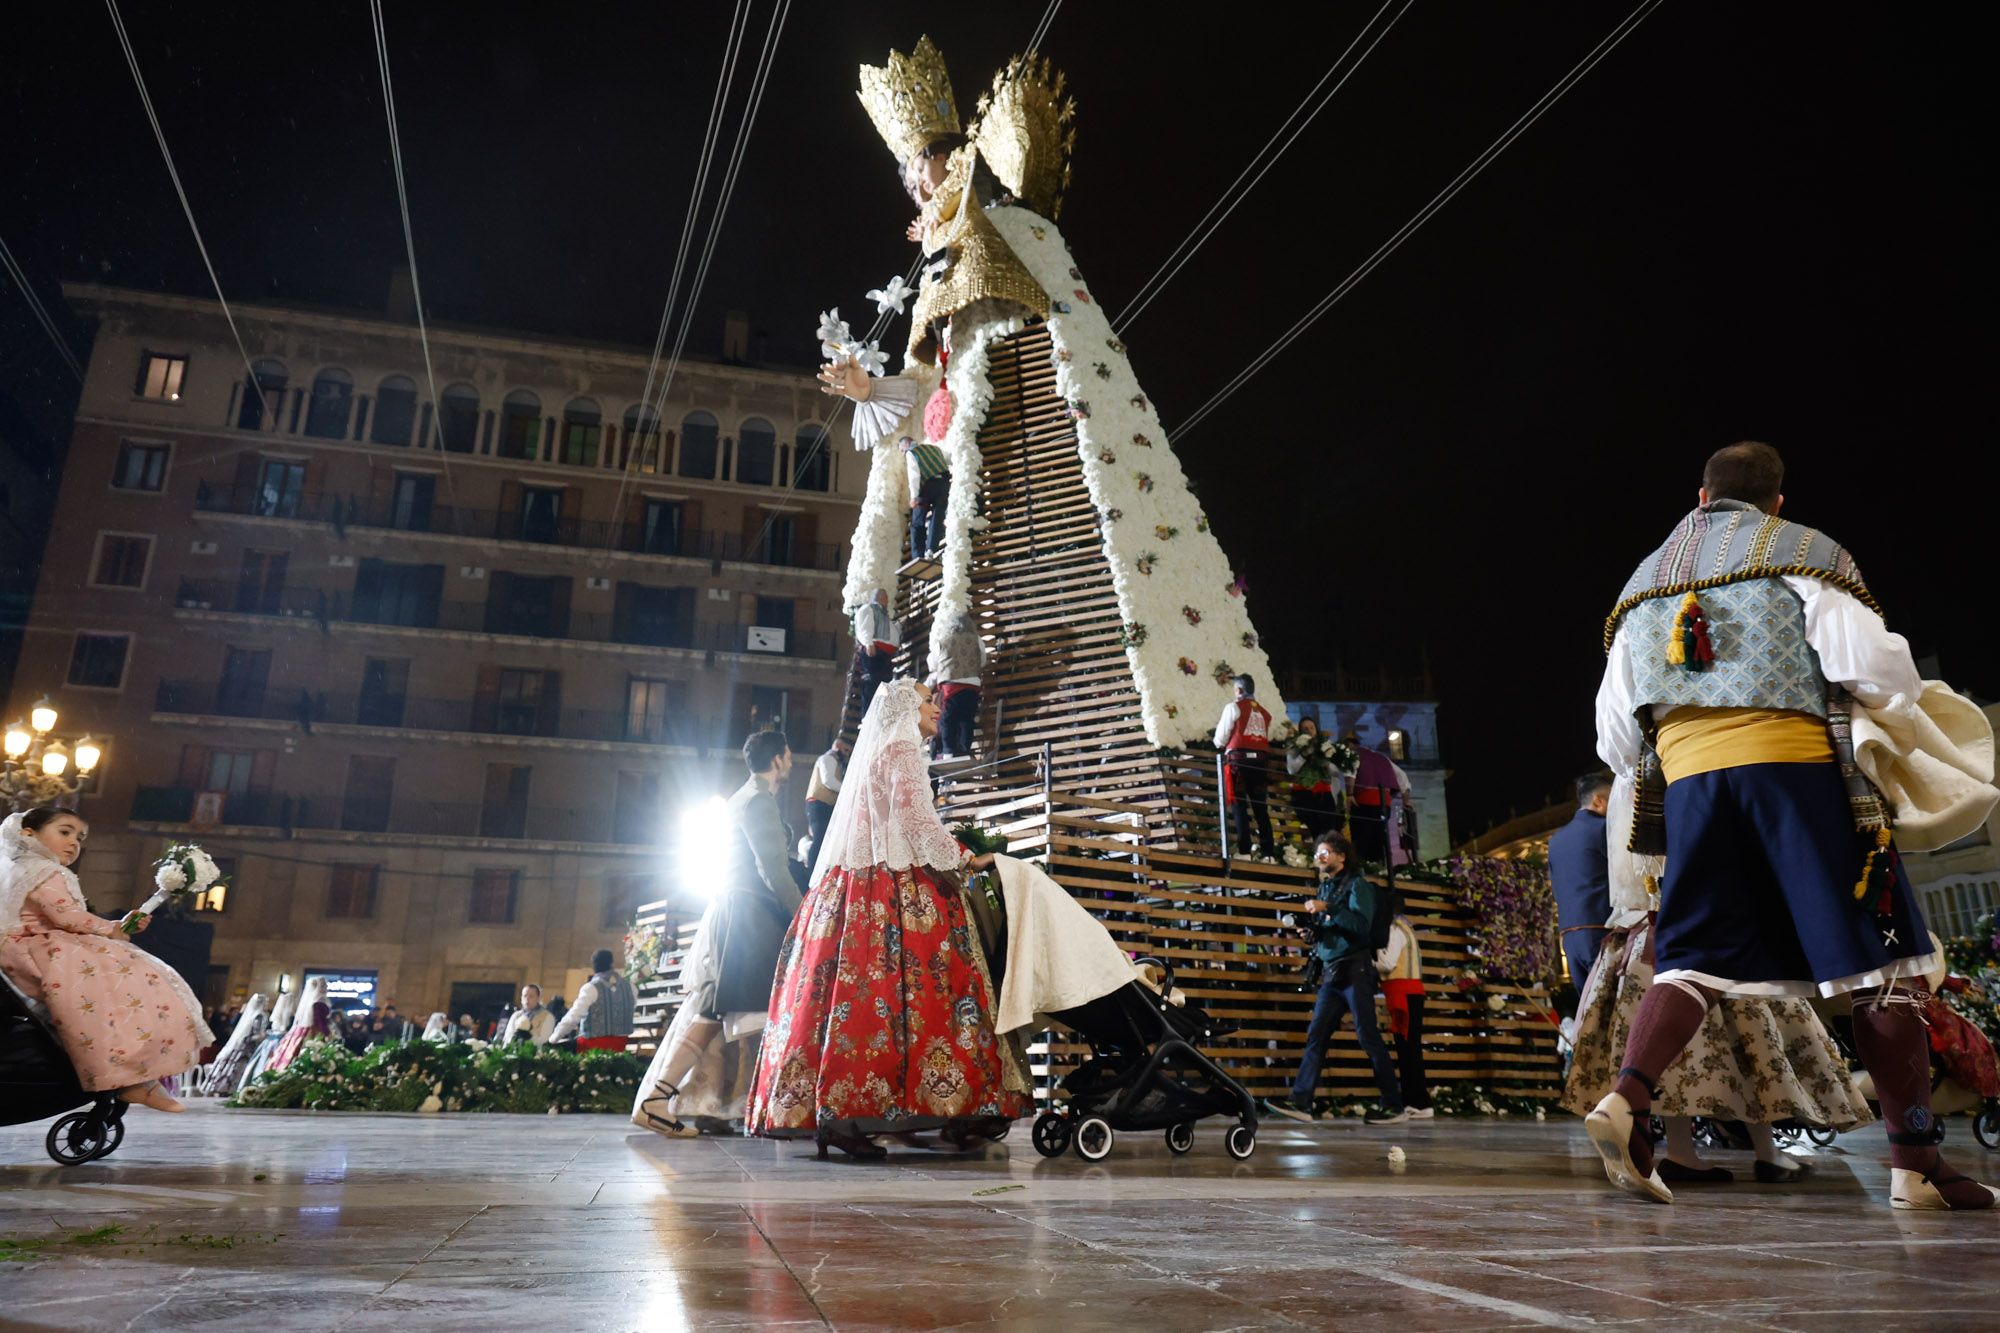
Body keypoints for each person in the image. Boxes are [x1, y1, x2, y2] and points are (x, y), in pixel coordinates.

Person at [1589, 440, 1995, 1210]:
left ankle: (1626, 1099)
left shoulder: (1641, 584)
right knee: (1882, 964)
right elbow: (1875, 668)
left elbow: (1614, 733)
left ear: (1701, 497)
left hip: (1692, 787)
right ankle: (1915, 1165)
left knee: (1692, 957)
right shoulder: (1805, 553)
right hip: (1795, 775)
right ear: (1776, 501)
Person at [747, 679, 1030, 1157]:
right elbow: (917, 821)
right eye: (927, 700)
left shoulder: (884, 752)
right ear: (903, 709)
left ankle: (844, 1115)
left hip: (855, 887)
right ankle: (931, 1110)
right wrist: (966, 858)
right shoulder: (901, 749)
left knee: (858, 1000)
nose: (937, 707)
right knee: (928, 993)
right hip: (894, 888)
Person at [1561, 786, 1867, 1185]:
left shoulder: (1627, 788)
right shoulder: (1684, 780)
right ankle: (1767, 1152)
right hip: (1707, 919)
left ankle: (1683, 1151)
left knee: (1672, 1051)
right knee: (1752, 1036)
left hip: (1644, 929)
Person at [635, 730, 808, 1136]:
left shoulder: (740, 798)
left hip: (736, 911)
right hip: (750, 915)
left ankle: (669, 1100)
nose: (790, 761)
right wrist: (803, 914)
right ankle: (660, 1100)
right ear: (778, 759)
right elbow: (772, 870)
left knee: (721, 1009)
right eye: (788, 755)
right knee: (732, 1008)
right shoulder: (758, 800)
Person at [0, 808, 211, 1113]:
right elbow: (67, 917)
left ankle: (132, 1077)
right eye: (65, 832)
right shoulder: (46, 871)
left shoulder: (18, 869)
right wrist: (112, 929)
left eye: (80, 837)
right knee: (124, 980)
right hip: (37, 950)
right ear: (28, 834)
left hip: (16, 952)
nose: (74, 842)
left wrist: (115, 926)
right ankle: (129, 1076)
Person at [1264, 833, 1404, 1124]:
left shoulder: (1357, 885)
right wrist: (1311, 932)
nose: (1319, 857)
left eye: (1325, 852)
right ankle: (1301, 1103)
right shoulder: (1326, 887)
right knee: (1317, 1035)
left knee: (1367, 1036)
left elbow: (1361, 927)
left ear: (1342, 856)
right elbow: (1331, 928)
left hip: (1355, 971)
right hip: (1332, 973)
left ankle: (1393, 1105)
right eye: (1317, 853)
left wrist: (1328, 908)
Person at [1548, 772, 1615, 991]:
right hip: (1601, 928)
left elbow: (1556, 887)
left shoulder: (1556, 841)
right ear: (1598, 800)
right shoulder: (1604, 828)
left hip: (1569, 936)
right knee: (1613, 1002)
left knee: (1587, 1005)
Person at [1377, 910, 1432, 1119]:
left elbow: (1388, 963)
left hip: (1404, 994)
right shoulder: (1406, 928)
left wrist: (1368, 962)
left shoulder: (1395, 929)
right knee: (1409, 1048)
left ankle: (1419, 1101)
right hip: (1409, 993)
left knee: (1408, 1049)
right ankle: (1414, 1100)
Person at [1213, 674, 1274, 858]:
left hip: (1239, 762)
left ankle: (1245, 851)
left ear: (1239, 690)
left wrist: (1218, 743)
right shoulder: (1265, 713)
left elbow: (1221, 738)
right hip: (1260, 763)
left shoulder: (1233, 707)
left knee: (1239, 805)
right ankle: (1268, 852)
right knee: (1260, 807)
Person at [1345, 734, 1413, 867]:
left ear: (1350, 746)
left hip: (1364, 802)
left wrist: (1349, 794)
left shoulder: (1353, 753)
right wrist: (1406, 800)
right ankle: (1379, 867)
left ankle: (1362, 868)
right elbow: (1402, 776)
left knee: (1361, 840)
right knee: (1379, 838)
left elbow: (1350, 772)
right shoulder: (1382, 757)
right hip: (1384, 804)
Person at [549, 948, 637, 1050]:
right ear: (612, 964)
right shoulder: (630, 987)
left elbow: (574, 1016)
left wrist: (553, 1038)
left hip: (592, 1048)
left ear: (594, 966)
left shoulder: (591, 988)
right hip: (620, 1047)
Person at [928, 612, 987, 758]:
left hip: (951, 685)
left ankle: (948, 751)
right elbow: (983, 660)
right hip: (972, 685)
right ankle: (965, 750)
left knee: (947, 719)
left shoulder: (943, 640)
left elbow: (932, 664)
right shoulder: (977, 640)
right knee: (967, 719)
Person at [200, 992, 271, 1097]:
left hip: (244, 1045)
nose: (267, 1004)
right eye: (266, 1002)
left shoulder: (253, 1015)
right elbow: (256, 1034)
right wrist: (265, 1036)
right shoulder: (259, 1016)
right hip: (249, 1047)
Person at [1283, 716, 1342, 839]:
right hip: (1303, 793)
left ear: (1316, 729)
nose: (1309, 731)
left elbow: (1336, 772)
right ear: (1300, 732)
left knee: (1330, 828)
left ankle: (1325, 847)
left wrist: (1324, 761)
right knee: (1316, 829)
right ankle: (1320, 847)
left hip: (1324, 792)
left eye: (1312, 728)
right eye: (1305, 729)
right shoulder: (1295, 746)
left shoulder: (1326, 746)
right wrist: (1304, 755)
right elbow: (1291, 769)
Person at [850, 588, 899, 719]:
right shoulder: (869, 609)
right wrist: (868, 643)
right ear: (880, 598)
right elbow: (865, 626)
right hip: (875, 652)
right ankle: (868, 718)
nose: (887, 601)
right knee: (872, 683)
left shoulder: (882, 613)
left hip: (884, 654)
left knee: (883, 685)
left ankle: (879, 716)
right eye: (885, 598)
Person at [266, 976, 332, 1073]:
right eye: (324, 985)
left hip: (302, 1030)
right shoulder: (319, 1003)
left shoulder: (312, 1002)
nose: (326, 988)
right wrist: (327, 1034)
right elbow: (320, 1022)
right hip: (314, 1032)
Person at [901, 437, 950, 561]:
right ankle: (931, 550)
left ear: (906, 445)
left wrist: (914, 497)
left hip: (928, 486)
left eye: (902, 450)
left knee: (917, 522)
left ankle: (917, 556)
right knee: (937, 516)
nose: (902, 454)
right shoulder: (935, 448)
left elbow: (914, 475)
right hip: (944, 483)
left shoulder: (912, 453)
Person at [804, 738, 849, 869]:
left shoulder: (835, 762)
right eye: (846, 750)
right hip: (819, 805)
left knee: (824, 841)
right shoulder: (828, 758)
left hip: (824, 805)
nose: (847, 754)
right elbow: (828, 781)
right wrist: (848, 789)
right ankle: (811, 872)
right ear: (838, 746)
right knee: (819, 840)